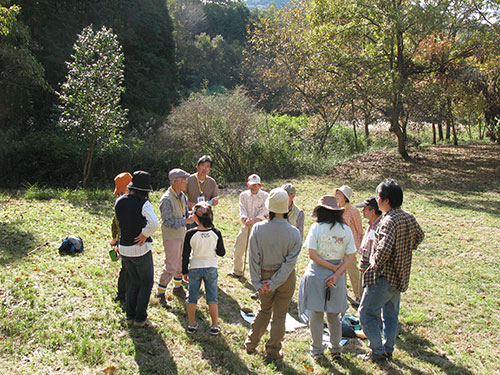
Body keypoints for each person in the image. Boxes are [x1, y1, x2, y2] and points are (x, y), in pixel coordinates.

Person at [358, 179, 424, 362]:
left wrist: (374, 261)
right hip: (401, 275)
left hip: (384, 277)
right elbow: (419, 236)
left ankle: (377, 351)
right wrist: (405, 249)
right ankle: (388, 348)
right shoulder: (408, 216)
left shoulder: (388, 221)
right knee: (391, 314)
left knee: (365, 313)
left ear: (386, 200)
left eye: (378, 197)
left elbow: (384, 249)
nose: (377, 201)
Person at [244, 188, 302, 360]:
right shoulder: (294, 233)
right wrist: (276, 282)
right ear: (286, 209)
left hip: (264, 275)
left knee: (264, 311)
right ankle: (273, 350)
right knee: (280, 315)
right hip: (286, 279)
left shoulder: (258, 229)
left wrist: (258, 283)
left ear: (269, 208)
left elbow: (253, 258)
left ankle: (251, 344)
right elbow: (290, 263)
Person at [298, 196, 356, 360]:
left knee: (316, 314)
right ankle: (336, 349)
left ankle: (316, 350)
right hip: (337, 275)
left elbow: (312, 254)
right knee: (334, 315)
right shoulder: (346, 230)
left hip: (317, 274)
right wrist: (336, 273)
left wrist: (330, 269)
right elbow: (351, 257)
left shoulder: (317, 228)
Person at [115, 171, 159, 328]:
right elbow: (154, 223)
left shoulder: (119, 201)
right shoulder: (143, 204)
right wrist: (144, 234)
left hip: (124, 248)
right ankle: (140, 318)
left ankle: (130, 316)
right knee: (146, 283)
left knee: (133, 281)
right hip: (140, 248)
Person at [182, 202, 226, 335]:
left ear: (195, 218)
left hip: (195, 267)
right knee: (212, 298)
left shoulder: (190, 234)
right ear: (210, 216)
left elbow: (185, 255)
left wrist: (184, 271)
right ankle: (214, 325)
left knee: (192, 297)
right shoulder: (216, 233)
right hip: (211, 267)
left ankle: (191, 324)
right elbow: (221, 253)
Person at [156, 168, 195, 309]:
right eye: (183, 180)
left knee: (180, 262)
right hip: (171, 236)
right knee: (171, 265)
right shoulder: (166, 199)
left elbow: (184, 213)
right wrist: (186, 221)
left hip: (182, 234)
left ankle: (178, 288)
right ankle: (160, 293)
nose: (186, 183)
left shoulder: (182, 196)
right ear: (175, 182)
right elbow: (167, 221)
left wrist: (193, 213)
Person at [228, 174, 269, 279]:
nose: (254, 187)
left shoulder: (266, 196)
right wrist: (246, 219)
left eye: (256, 185)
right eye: (251, 185)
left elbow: (265, 212)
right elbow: (242, 209)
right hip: (245, 226)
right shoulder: (243, 195)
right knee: (238, 250)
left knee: (257, 253)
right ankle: (237, 271)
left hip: (260, 228)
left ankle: (257, 276)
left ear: (260, 185)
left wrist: (255, 220)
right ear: (247, 185)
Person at [335, 185, 363, 306]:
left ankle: (358, 295)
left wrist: (360, 246)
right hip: (337, 245)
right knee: (340, 270)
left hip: (350, 246)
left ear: (345, 197)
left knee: (352, 270)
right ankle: (342, 293)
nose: (336, 196)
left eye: (339, 194)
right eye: (336, 193)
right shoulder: (335, 209)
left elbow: (359, 230)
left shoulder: (353, 211)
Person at [109, 172, 132, 302]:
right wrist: (115, 240)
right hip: (123, 240)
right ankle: (122, 294)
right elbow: (115, 222)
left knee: (128, 268)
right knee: (126, 269)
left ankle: (125, 293)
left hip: (127, 241)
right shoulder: (120, 202)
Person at [355, 196, 383, 273]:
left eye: (365, 208)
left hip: (372, 264)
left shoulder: (381, 225)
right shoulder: (371, 224)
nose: (363, 211)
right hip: (365, 262)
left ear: (372, 211)